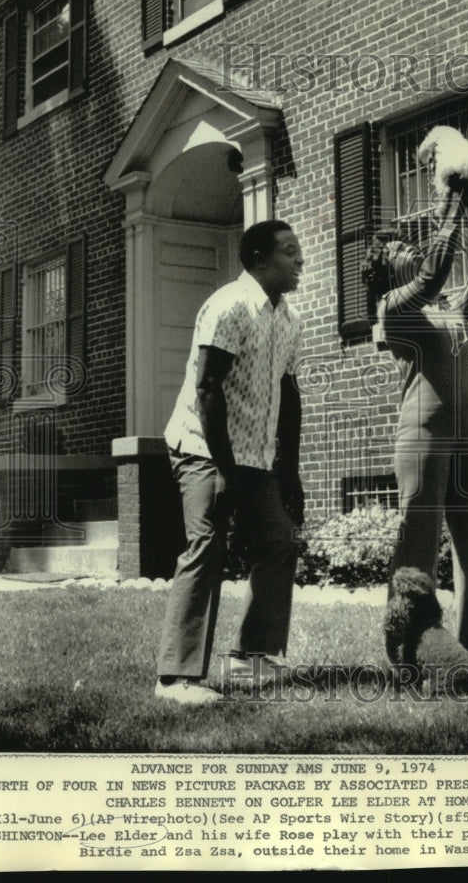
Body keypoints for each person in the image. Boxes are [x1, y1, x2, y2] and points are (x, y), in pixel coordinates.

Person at [362, 160, 468, 676]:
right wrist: (453, 201)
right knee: (417, 546)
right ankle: (405, 651)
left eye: (411, 244)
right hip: (421, 436)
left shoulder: (449, 308)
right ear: (386, 268)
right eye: (400, 249)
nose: (412, 249)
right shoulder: (394, 305)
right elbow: (434, 272)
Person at [156, 220, 305, 705]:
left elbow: (289, 394)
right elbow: (207, 390)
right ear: (260, 259)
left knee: (279, 540)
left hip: (254, 455)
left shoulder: (288, 319)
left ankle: (251, 658)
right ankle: (176, 679)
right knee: (207, 544)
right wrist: (224, 470)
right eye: (289, 252)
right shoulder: (229, 306)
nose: (299, 260)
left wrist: (289, 470)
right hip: (203, 445)